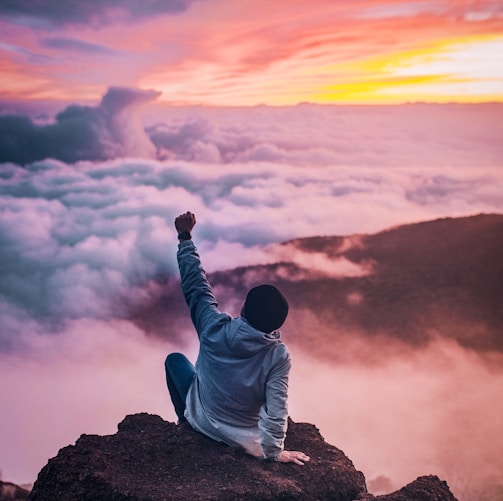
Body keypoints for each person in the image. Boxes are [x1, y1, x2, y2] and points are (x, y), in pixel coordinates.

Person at [165, 211, 310, 465]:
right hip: (243, 440)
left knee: (175, 360)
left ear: (244, 309)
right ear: (277, 324)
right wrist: (274, 453)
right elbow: (277, 410)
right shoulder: (278, 355)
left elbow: (196, 286)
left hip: (203, 420)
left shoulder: (213, 326)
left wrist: (185, 238)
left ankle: (184, 421)